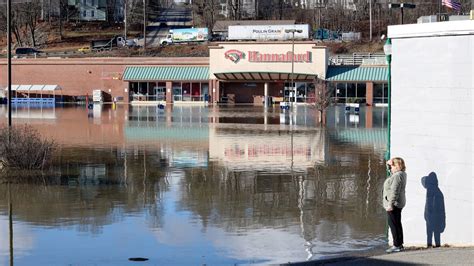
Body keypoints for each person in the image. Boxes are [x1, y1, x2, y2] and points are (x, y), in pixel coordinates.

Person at [383, 157, 407, 253]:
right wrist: (388, 163)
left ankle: (397, 245)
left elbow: (394, 191)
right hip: (398, 202)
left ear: (396, 166)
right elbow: (389, 170)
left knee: (393, 224)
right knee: (397, 223)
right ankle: (399, 244)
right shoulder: (401, 174)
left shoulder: (397, 176)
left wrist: (390, 204)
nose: (390, 167)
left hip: (394, 203)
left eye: (392, 165)